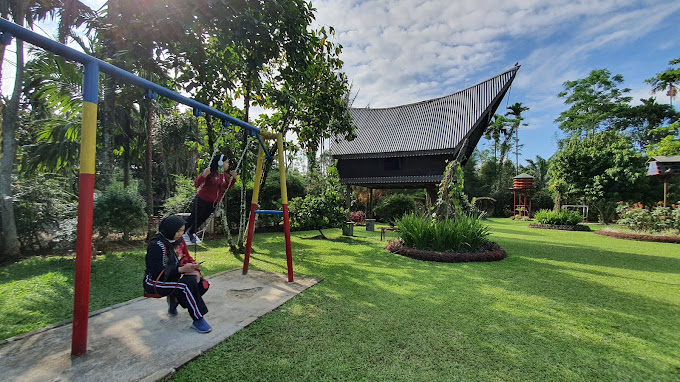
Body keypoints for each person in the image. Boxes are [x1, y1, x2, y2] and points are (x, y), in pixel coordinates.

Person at [143, 215, 212, 333]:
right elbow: (156, 272)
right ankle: (198, 319)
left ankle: (174, 302)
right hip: (155, 282)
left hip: (171, 277)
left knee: (199, 281)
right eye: (178, 231)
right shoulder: (156, 246)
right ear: (169, 230)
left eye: (182, 230)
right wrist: (181, 270)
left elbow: (183, 259)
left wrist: (192, 267)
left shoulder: (176, 241)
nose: (181, 233)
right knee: (184, 287)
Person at [183, 153, 238, 244]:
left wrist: (234, 179)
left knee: (202, 219)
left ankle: (191, 232)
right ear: (220, 163)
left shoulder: (224, 176)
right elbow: (196, 184)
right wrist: (203, 176)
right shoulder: (209, 172)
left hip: (213, 203)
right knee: (193, 218)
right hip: (201, 199)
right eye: (227, 162)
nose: (228, 165)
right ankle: (179, 233)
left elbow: (226, 188)